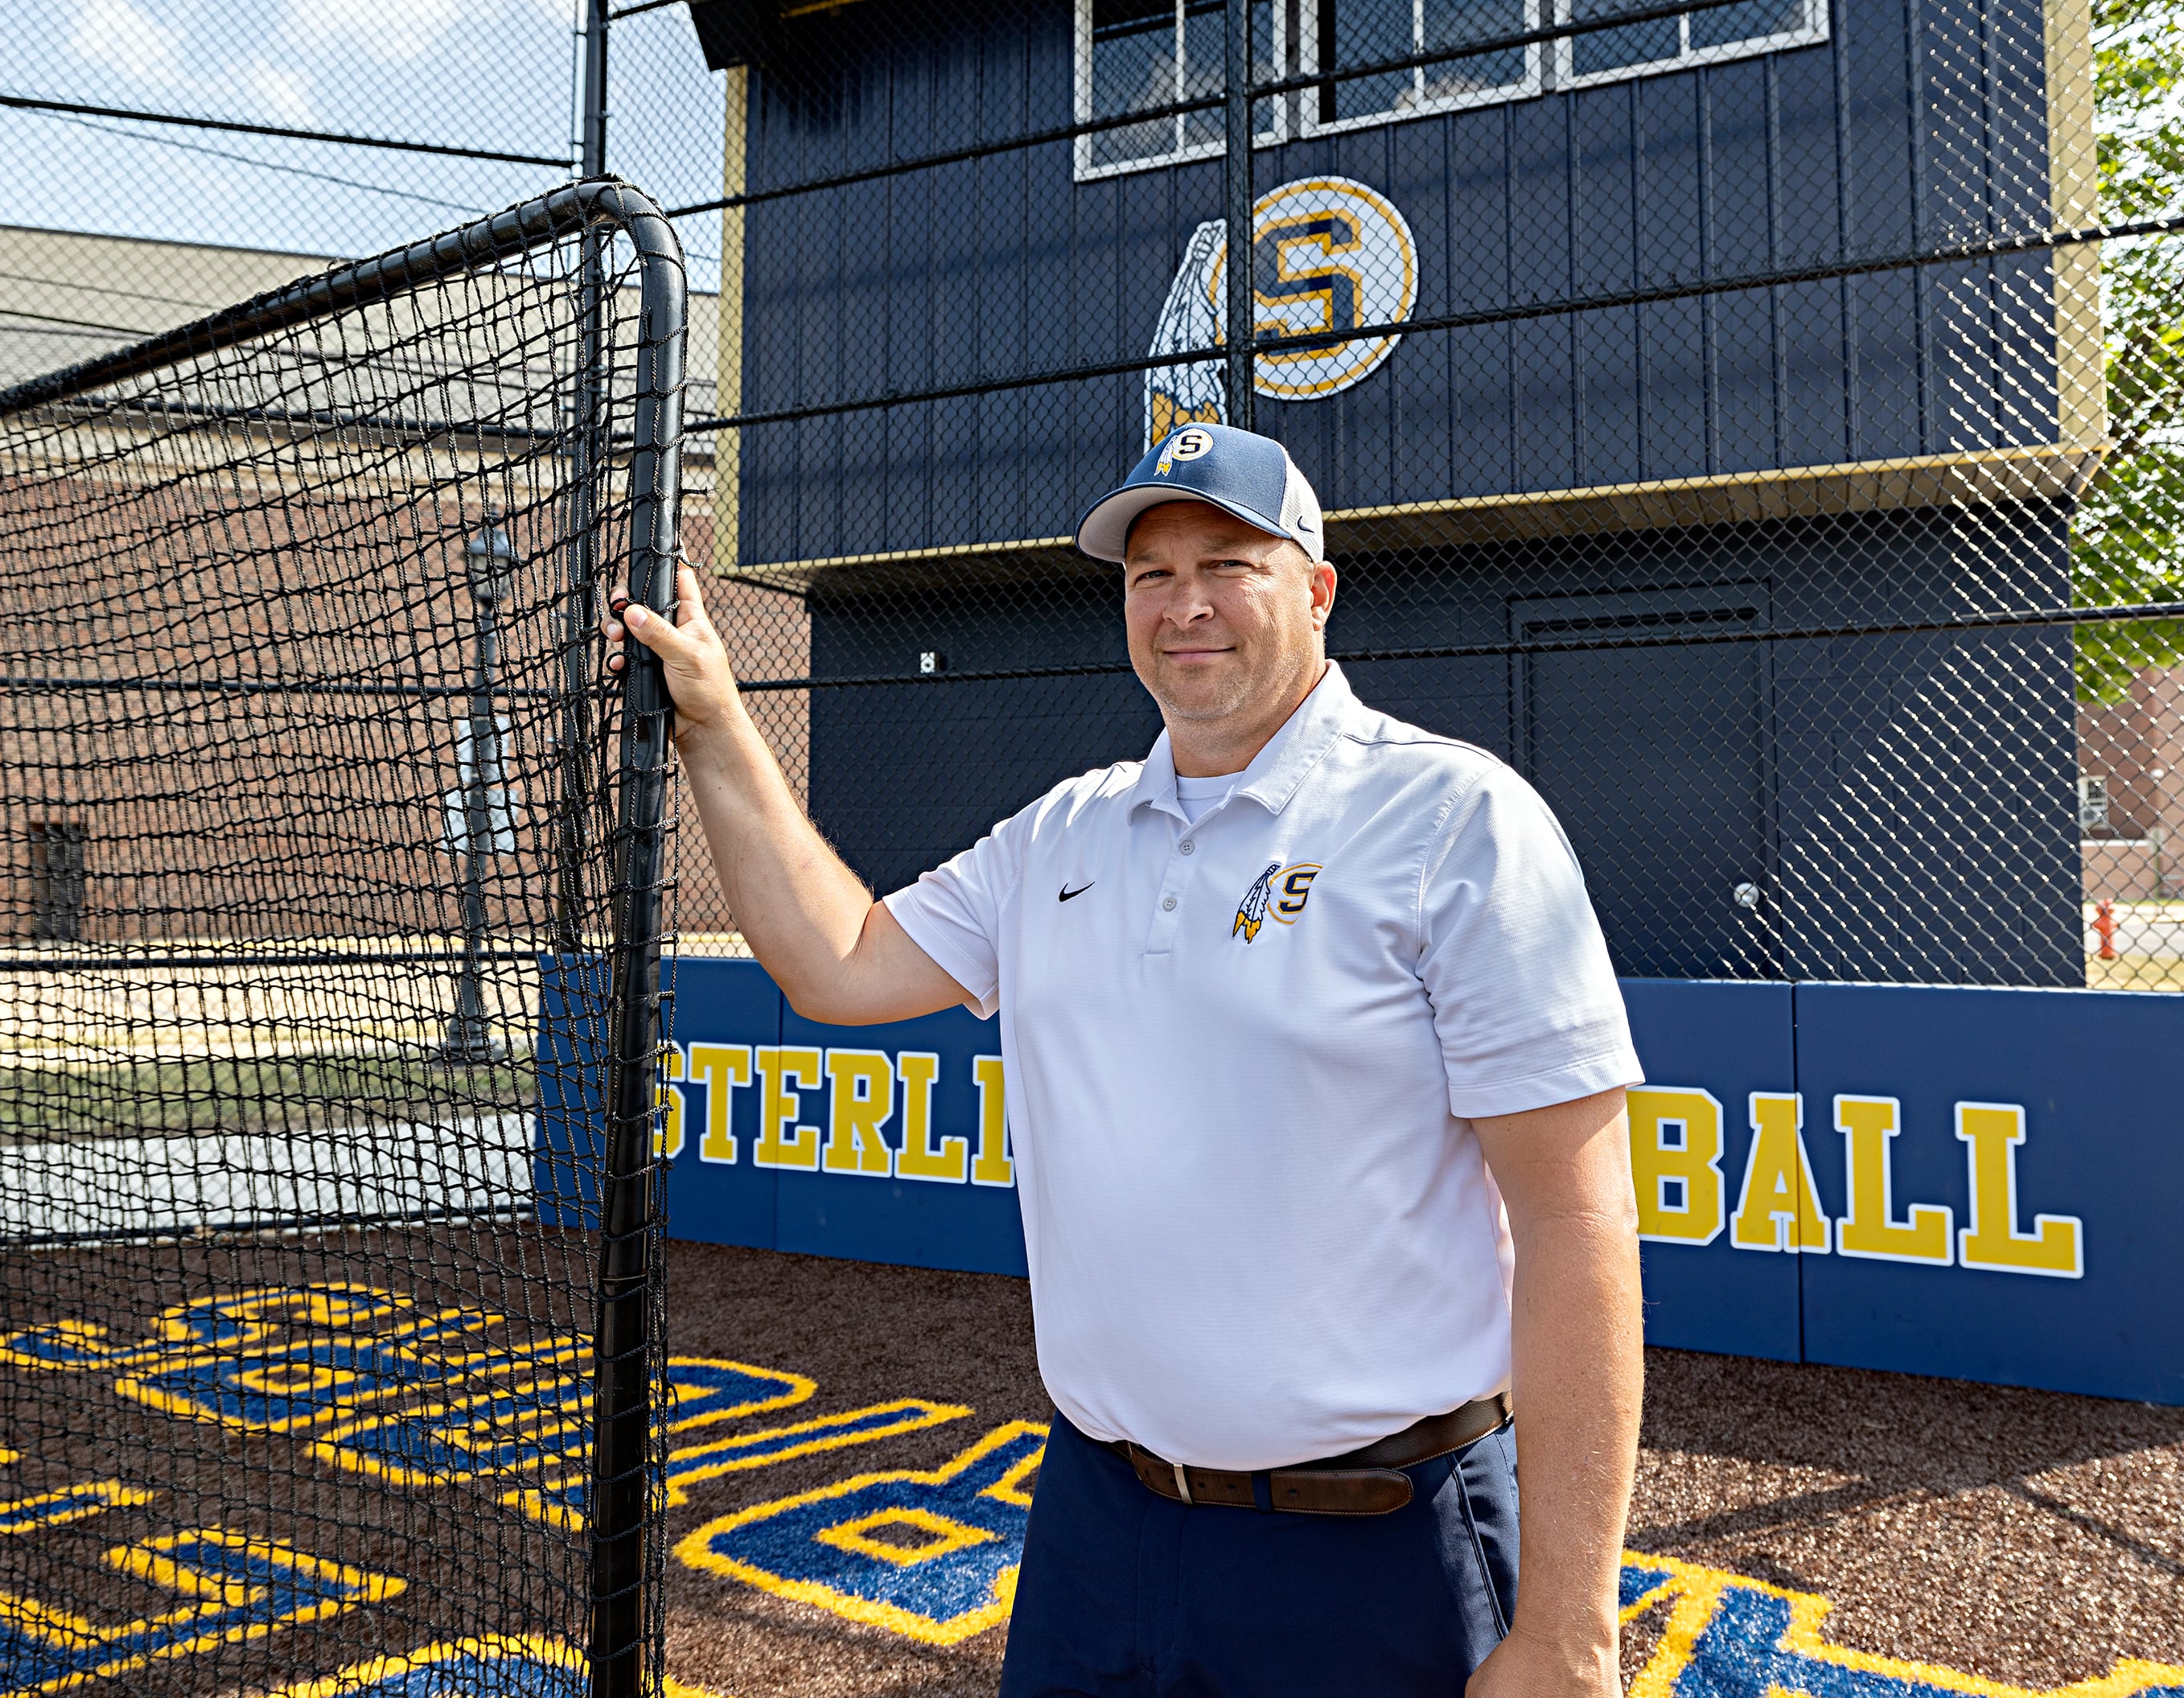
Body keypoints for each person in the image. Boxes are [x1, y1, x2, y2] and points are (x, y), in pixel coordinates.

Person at [605, 422, 1646, 1696]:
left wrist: (1569, 1632)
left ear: (1316, 589)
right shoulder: (1064, 831)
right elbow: (839, 963)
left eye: (1230, 563)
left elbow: (1576, 1218)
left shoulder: (1452, 819)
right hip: (1104, 1522)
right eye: (1152, 574)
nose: (1185, 604)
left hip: (1377, 1538)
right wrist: (714, 718)